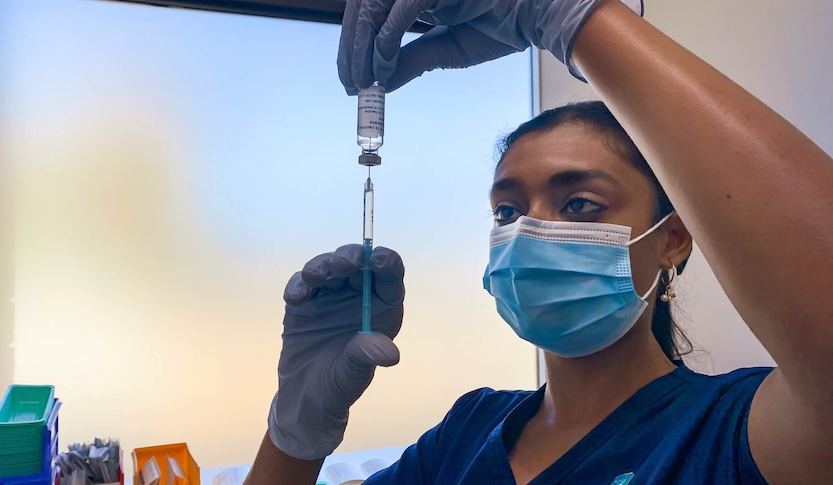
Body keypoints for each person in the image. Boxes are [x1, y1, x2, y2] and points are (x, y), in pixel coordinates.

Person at [246, 0, 833, 483]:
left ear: (674, 238)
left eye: (579, 203)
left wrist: (573, 18)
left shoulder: (727, 434)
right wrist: (297, 432)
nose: (528, 231)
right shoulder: (467, 433)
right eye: (507, 209)